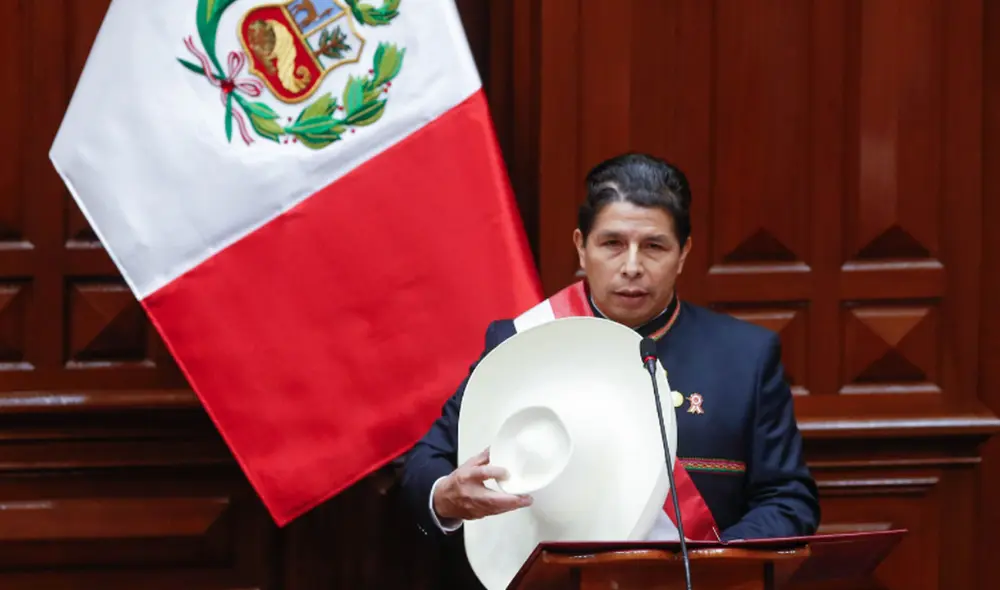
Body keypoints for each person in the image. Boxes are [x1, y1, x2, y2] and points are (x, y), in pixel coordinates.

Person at [399, 152, 820, 582]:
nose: (632, 266)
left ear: (684, 253)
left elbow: (787, 500)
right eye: (612, 244)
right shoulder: (522, 341)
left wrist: (714, 569)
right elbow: (424, 468)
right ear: (582, 247)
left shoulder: (744, 356)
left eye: (654, 246)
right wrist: (447, 497)